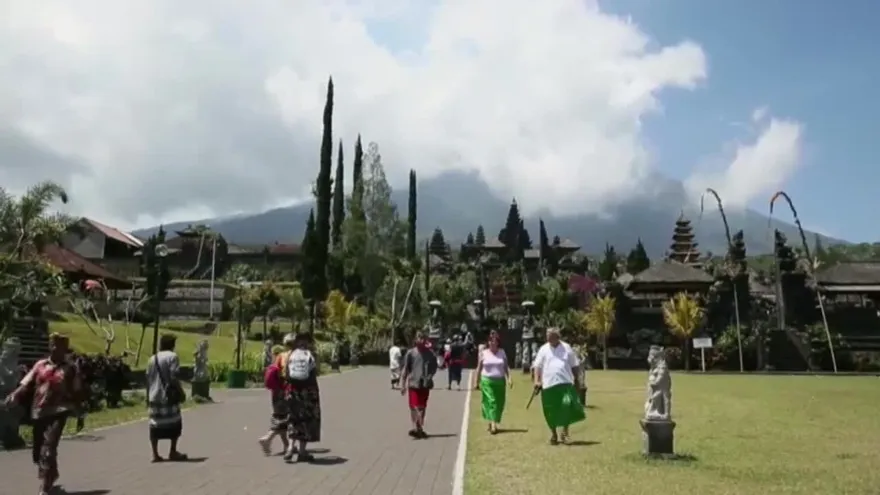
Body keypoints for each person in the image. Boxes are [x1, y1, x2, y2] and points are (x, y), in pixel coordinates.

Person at [4, 333, 84, 495]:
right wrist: (15, 395)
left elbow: (78, 392)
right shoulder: (40, 365)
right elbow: (26, 384)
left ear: (64, 348)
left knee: (49, 448)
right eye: (52, 344)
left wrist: (80, 413)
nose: (54, 348)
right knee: (38, 453)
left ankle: (45, 487)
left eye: (59, 345)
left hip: (59, 411)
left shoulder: (70, 369)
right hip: (39, 411)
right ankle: (52, 474)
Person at [532, 327, 585, 445]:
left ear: (557, 336)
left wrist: (577, 379)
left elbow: (574, 365)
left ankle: (565, 432)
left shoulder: (566, 347)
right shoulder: (543, 349)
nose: (547, 338)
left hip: (565, 382)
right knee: (550, 411)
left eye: (550, 335)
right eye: (547, 335)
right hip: (548, 384)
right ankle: (554, 434)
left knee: (567, 405)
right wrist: (536, 381)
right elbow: (537, 366)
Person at [146, 333, 188, 462]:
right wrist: (181, 392)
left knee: (155, 425)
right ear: (172, 345)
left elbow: (148, 379)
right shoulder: (172, 357)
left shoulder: (152, 358)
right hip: (168, 396)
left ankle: (155, 454)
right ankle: (172, 451)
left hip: (154, 396)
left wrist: (147, 396)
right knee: (175, 424)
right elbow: (174, 376)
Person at [282, 333, 321, 462]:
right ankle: (302, 452)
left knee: (293, 419)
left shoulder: (290, 355)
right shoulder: (310, 355)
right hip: (308, 393)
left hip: (292, 391)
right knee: (306, 420)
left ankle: (290, 448)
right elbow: (316, 372)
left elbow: (286, 374)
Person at [399, 332, 438, 439]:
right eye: (419, 338)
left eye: (423, 338)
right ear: (415, 339)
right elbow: (405, 369)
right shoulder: (411, 353)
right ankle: (416, 426)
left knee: (422, 406)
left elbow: (434, 367)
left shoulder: (430, 354)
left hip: (424, 384)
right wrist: (403, 384)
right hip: (413, 384)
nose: (421, 340)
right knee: (413, 406)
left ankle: (419, 427)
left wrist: (429, 376)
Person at [474, 332, 511, 434]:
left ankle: (491, 421)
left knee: (499, 403)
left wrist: (509, 378)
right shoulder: (484, 353)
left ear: (498, 342)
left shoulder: (502, 352)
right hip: (487, 381)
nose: (492, 343)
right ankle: (494, 425)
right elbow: (479, 368)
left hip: (500, 382)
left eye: (494, 341)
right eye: (490, 341)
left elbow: (506, 367)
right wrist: (476, 382)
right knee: (492, 401)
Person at [258, 345, 289, 455]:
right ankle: (267, 438)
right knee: (283, 420)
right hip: (283, 395)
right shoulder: (281, 367)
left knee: (280, 418)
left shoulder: (272, 366)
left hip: (275, 396)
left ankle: (287, 445)